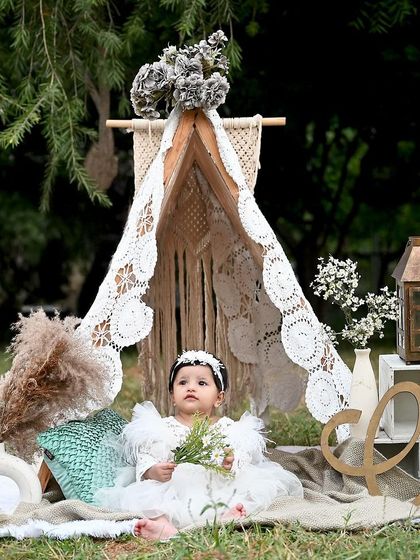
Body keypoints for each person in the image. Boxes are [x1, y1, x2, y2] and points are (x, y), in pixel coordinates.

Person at [95, 350, 303, 540]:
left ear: (219, 398)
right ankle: (163, 526)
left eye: (202, 383)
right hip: (174, 487)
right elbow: (146, 458)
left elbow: (242, 455)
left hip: (217, 484)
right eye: (182, 382)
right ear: (172, 396)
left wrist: (232, 461)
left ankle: (224, 518)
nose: (191, 387)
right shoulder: (161, 428)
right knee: (149, 500)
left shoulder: (227, 427)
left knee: (248, 492)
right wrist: (153, 471)